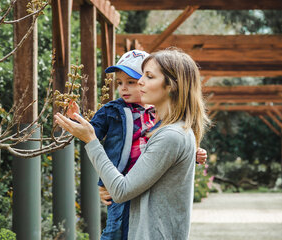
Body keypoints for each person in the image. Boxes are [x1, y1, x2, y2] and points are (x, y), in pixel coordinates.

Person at [60, 48, 210, 239]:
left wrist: (91, 141)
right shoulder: (170, 130)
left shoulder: (171, 135)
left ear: (172, 85)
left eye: (149, 76)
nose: (139, 82)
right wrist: (108, 181)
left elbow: (121, 191)